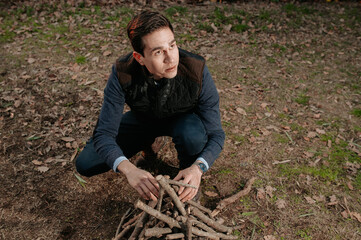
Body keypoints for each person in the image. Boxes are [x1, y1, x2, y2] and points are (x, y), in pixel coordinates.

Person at [75, 11, 225, 203]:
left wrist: (198, 168)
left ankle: (187, 180)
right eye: (158, 52)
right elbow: (104, 135)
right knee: (86, 163)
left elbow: (216, 134)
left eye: (172, 45)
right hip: (142, 119)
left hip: (183, 121)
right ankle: (149, 145)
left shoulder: (197, 69)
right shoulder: (122, 73)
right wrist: (129, 169)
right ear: (140, 58)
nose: (170, 58)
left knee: (193, 136)